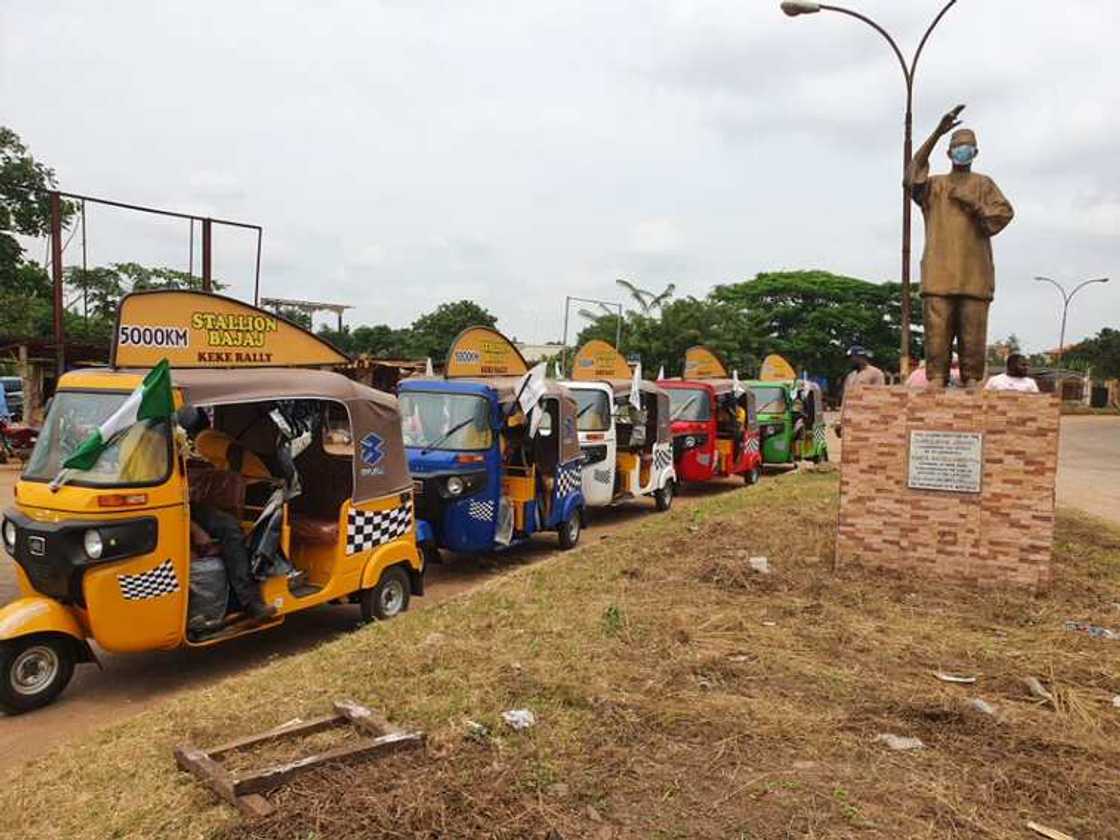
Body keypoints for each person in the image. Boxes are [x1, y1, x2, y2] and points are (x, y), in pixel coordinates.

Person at [907, 105, 1015, 387]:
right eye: (957, 146)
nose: (962, 151)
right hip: (938, 274)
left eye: (968, 147)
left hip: (974, 275)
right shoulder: (935, 186)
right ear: (948, 152)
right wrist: (936, 133)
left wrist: (973, 204)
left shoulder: (984, 184)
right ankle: (937, 380)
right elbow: (911, 178)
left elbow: (1002, 215)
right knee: (937, 335)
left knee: (973, 335)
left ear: (975, 153)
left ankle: (971, 383)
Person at [178, 406, 275, 622]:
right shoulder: (207, 438)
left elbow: (230, 470)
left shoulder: (204, 440)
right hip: (182, 499)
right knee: (229, 527)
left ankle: (247, 600)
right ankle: (248, 601)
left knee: (230, 528)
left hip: (253, 487)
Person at [837, 346, 885, 437]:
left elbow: (879, 396)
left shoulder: (876, 373)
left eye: (853, 358)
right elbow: (845, 399)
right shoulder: (851, 376)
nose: (851, 360)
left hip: (867, 418)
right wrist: (840, 420)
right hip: (851, 418)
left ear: (860, 357)